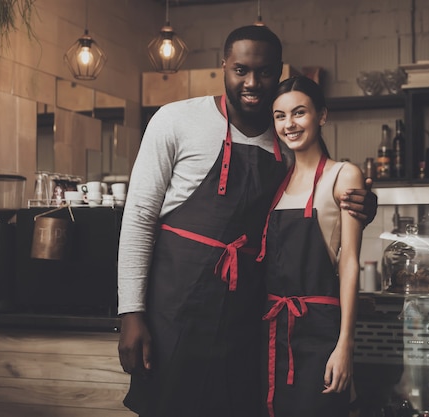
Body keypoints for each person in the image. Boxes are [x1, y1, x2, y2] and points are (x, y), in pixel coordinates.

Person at [117, 25, 376, 417]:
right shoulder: (175, 121)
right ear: (223, 67)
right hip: (176, 309)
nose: (252, 82)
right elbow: (138, 218)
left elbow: (324, 201)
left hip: (248, 320)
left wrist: (362, 208)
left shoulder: (287, 140)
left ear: (279, 71)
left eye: (265, 72)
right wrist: (131, 313)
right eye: (240, 70)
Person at [257, 76, 362, 417]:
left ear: (322, 116)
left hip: (320, 332)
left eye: (299, 112)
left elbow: (349, 263)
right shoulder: (275, 180)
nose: (289, 124)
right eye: (280, 115)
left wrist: (344, 344)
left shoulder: (343, 175)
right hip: (271, 331)